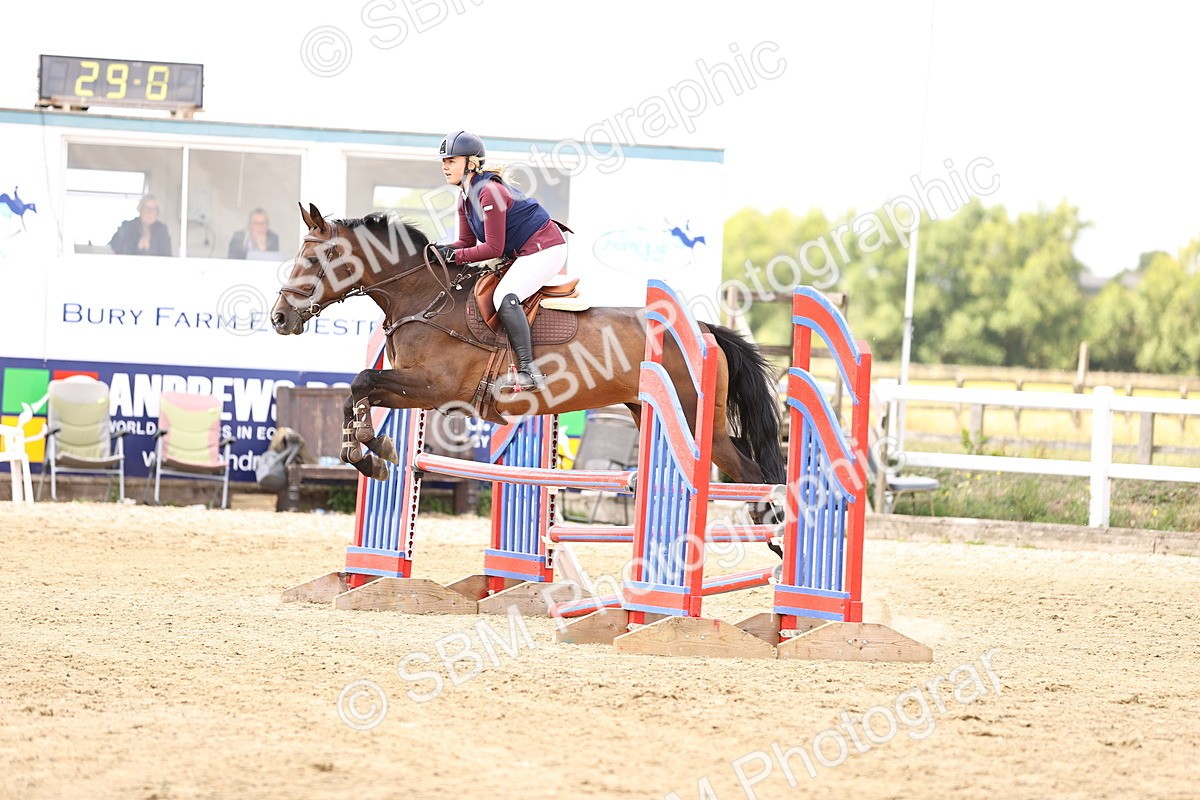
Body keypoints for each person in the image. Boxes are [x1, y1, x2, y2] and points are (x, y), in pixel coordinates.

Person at [436, 130, 568, 393]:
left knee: (504, 296)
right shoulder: (465, 197)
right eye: (444, 161)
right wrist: (435, 251)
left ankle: (529, 371)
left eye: (451, 160)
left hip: (545, 250)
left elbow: (493, 248)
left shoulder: (489, 192)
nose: (445, 166)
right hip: (526, 251)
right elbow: (465, 243)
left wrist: (457, 256)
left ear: (471, 163)